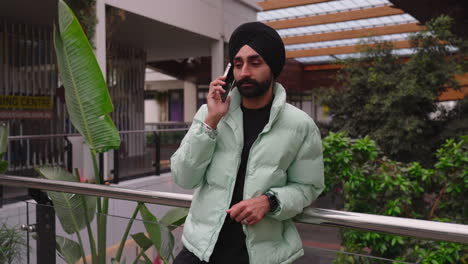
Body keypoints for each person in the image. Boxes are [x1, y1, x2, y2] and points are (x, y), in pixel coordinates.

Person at [171, 22, 324, 264]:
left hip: (260, 256)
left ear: (272, 67)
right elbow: (183, 177)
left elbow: (309, 187)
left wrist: (270, 201)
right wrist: (210, 122)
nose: (244, 73)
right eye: (238, 64)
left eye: (255, 63)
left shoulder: (300, 125)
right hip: (200, 251)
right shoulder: (208, 114)